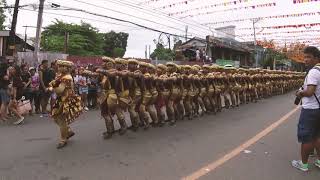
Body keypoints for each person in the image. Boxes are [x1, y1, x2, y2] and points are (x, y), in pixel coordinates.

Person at [292, 46, 320, 172]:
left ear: (316, 58)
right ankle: (319, 161)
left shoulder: (314, 72)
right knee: (317, 137)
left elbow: (309, 92)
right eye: (305, 57)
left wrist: (300, 93)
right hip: (318, 108)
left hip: (310, 110)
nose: (305, 60)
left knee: (307, 138)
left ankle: (303, 164)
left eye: (308, 57)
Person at [48, 60, 82, 149]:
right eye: (60, 66)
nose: (61, 68)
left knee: (61, 120)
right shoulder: (61, 76)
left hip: (65, 100)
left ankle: (63, 139)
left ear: (68, 68)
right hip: (60, 99)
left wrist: (52, 86)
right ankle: (69, 131)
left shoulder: (67, 77)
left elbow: (60, 90)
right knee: (56, 118)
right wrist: (53, 86)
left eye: (63, 66)